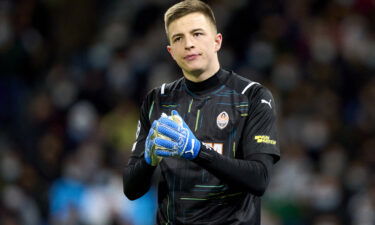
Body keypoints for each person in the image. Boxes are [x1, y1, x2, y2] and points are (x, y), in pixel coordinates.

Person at [123, 0, 280, 224]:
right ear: (171, 51)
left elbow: (259, 179)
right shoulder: (157, 100)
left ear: (217, 41)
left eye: (197, 34)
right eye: (178, 38)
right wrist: (148, 161)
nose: (188, 44)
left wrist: (198, 151)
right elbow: (131, 189)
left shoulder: (253, 96)